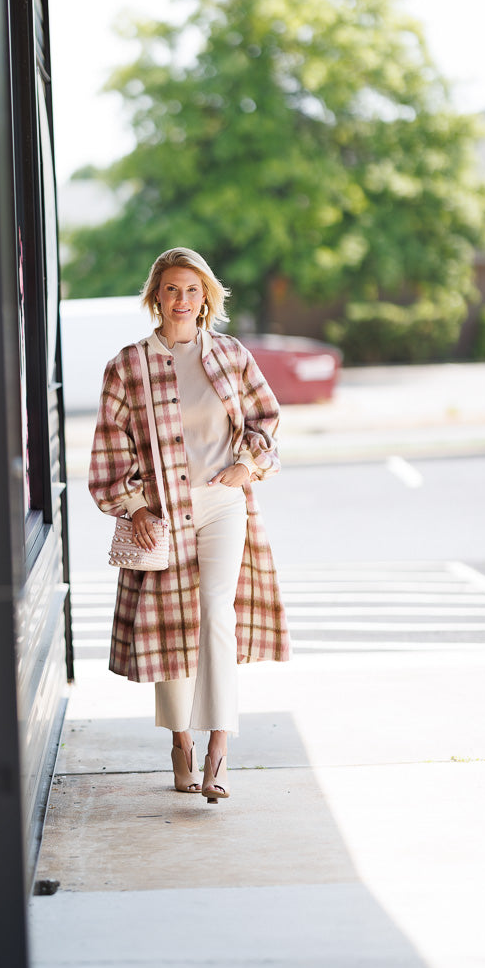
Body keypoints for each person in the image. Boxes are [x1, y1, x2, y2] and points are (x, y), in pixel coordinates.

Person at [89, 248, 290, 803]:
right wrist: (135, 508)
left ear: (207, 298)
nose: (182, 300)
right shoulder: (127, 366)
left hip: (223, 502)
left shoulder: (230, 355)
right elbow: (110, 448)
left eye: (193, 290)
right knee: (170, 625)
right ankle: (181, 743)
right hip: (162, 512)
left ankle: (218, 749)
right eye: (172, 289)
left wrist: (248, 464)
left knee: (215, 613)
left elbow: (264, 418)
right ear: (156, 296)